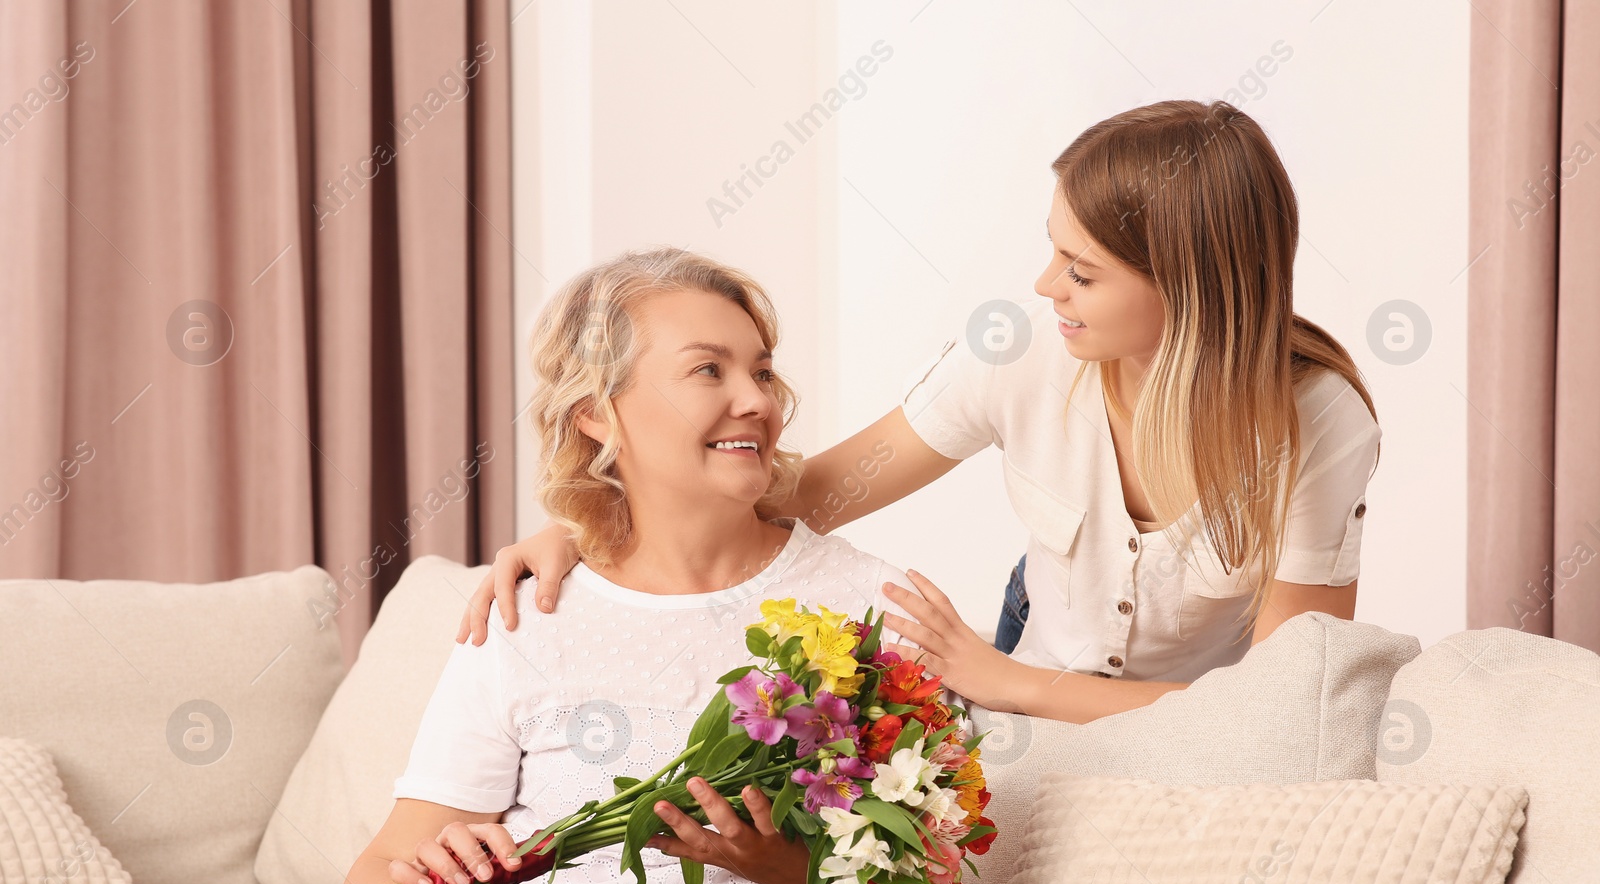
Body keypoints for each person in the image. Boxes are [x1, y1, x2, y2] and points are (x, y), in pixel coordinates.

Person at [178, 248, 953, 884]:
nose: (756, 400)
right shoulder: (532, 604)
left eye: (762, 370)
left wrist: (779, 866)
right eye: (708, 370)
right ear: (595, 412)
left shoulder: (873, 611)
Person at [457, 99, 1383, 726]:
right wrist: (594, 526)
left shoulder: (1320, 423)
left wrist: (1005, 680)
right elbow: (808, 493)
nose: (1044, 285)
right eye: (1053, 250)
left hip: (1172, 714)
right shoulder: (1020, 352)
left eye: (1083, 271)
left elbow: (1280, 707)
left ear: (1190, 284)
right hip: (1028, 680)